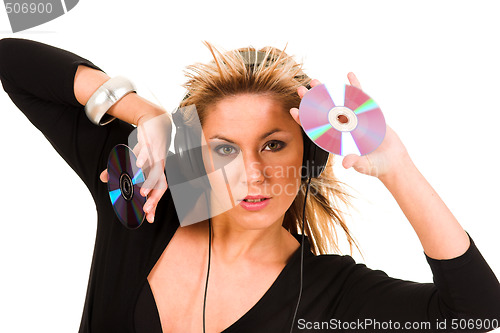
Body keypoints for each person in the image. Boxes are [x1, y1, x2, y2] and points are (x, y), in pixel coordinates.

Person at [0, 37, 499, 333]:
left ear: (311, 154)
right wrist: (148, 115)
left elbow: (478, 315)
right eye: (223, 149)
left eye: (274, 145)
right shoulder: (142, 192)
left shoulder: (328, 294)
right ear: (193, 153)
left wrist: (397, 167)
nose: (252, 174)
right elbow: (13, 60)